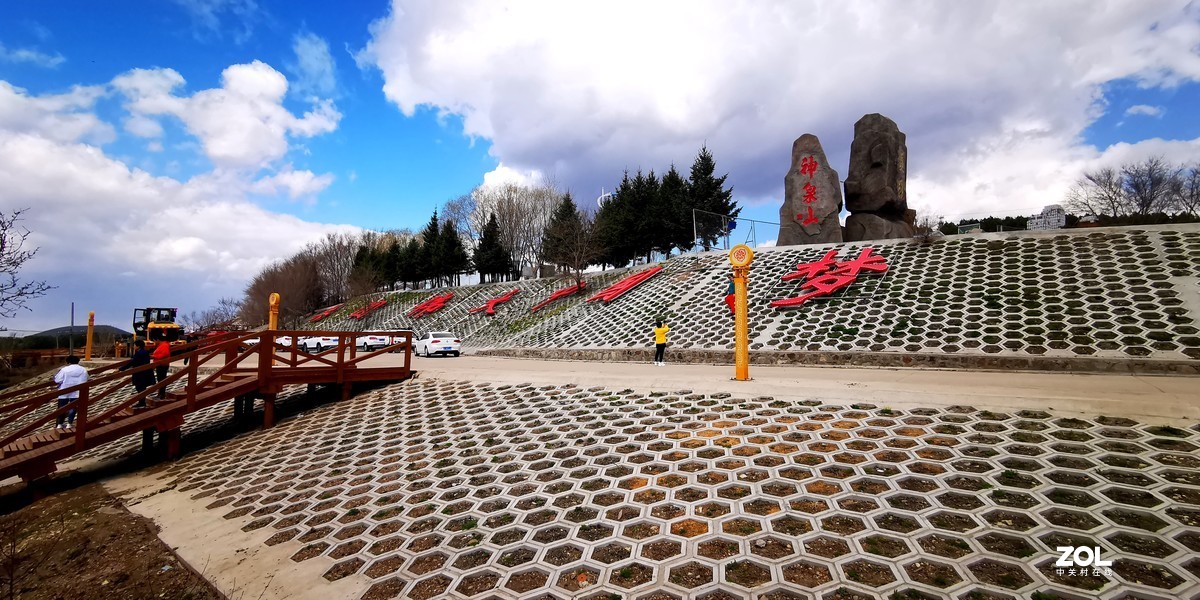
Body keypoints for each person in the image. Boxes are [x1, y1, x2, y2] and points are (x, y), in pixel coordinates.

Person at [54, 355, 88, 430]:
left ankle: (60, 424)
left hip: (64, 390)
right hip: (77, 391)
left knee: (62, 408)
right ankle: (69, 423)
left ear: (68, 362)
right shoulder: (83, 369)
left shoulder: (64, 369)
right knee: (73, 407)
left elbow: (57, 380)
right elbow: (85, 379)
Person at [119, 340, 154, 407]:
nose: (134, 346)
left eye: (134, 345)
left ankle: (141, 403)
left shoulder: (139, 353)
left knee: (140, 388)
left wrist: (121, 369)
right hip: (145, 372)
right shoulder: (144, 352)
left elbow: (132, 362)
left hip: (140, 373)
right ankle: (142, 402)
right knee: (142, 388)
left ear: (138, 346)